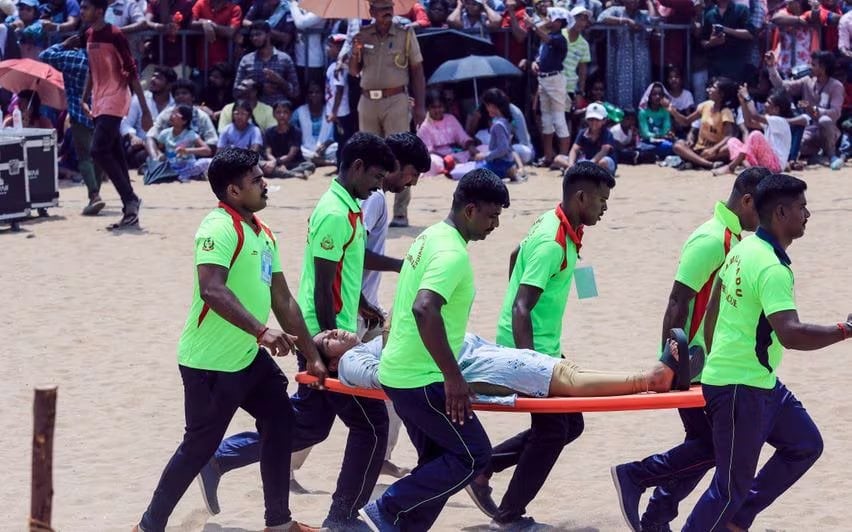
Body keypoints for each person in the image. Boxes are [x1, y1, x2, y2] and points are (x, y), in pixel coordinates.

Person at [200, 133, 397, 531]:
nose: (380, 186)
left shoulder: (351, 209)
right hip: (325, 336)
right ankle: (342, 518)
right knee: (369, 425)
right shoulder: (334, 213)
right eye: (377, 176)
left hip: (332, 333)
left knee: (309, 425)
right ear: (357, 167)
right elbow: (321, 287)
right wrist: (322, 348)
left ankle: (219, 457)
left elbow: (345, 268)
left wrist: (362, 304)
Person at [133, 147, 328, 532]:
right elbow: (212, 290)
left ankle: (279, 523)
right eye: (256, 179)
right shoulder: (217, 228)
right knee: (198, 448)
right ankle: (148, 527)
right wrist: (261, 330)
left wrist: (312, 354)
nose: (265, 183)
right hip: (209, 364)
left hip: (246, 357)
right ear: (234, 191)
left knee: (281, 421)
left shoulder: (263, 231)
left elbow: (284, 299)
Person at [681, 173, 851, 531]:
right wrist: (844, 330)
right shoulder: (772, 268)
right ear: (780, 212)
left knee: (804, 443)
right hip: (740, 387)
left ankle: (737, 522)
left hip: (756, 381)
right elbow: (791, 334)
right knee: (728, 489)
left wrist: (716, 358)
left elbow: (712, 307)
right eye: (802, 208)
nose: (807, 215)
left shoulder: (743, 249)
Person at [610, 167, 771, 532]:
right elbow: (677, 300)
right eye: (762, 209)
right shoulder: (712, 239)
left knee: (705, 445)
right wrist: (669, 360)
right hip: (692, 364)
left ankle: (655, 514)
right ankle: (636, 477)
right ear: (747, 201)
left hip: (709, 363)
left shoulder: (731, 238)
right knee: (714, 449)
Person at [359, 169, 510, 531]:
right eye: (492, 216)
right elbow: (424, 308)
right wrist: (453, 378)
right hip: (421, 379)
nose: (496, 225)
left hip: (401, 371)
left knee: (437, 460)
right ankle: (383, 509)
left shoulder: (430, 236)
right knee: (474, 455)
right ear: (470, 210)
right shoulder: (451, 252)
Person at [465, 162, 613, 529]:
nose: (605, 207)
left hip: (543, 344)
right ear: (581, 197)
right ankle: (509, 515)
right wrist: (530, 364)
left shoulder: (561, 224)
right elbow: (521, 307)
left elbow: (516, 254)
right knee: (551, 432)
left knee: (571, 425)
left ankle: (483, 468)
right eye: (601, 200)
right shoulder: (553, 240)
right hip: (527, 346)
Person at [288, 132, 433, 492]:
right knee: (335, 416)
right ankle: (236, 457)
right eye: (411, 173)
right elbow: (329, 277)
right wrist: (325, 343)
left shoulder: (358, 200)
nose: (410, 182)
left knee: (329, 416)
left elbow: (345, 262)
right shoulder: (364, 202)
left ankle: (283, 469)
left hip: (355, 314)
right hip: (341, 323)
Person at [319, 329, 692, 398]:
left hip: (476, 354)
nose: (335, 332)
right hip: (468, 368)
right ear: (331, 363)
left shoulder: (363, 346)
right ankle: (650, 379)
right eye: (328, 340)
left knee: (565, 372)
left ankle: (651, 377)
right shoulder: (352, 361)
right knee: (562, 378)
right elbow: (384, 378)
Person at [350, 0, 427, 228]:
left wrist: (421, 105)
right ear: (372, 12)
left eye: (390, 10)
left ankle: (400, 212)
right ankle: (368, 209)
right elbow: (354, 71)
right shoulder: (362, 35)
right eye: (382, 10)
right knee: (367, 156)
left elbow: (417, 70)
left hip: (396, 99)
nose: (387, 14)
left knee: (402, 157)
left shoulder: (405, 33)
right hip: (367, 100)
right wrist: (355, 52)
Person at [80, 0, 151, 230]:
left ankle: (130, 199)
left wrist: (146, 110)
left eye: (86, 8)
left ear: (99, 11)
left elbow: (131, 72)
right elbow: (92, 69)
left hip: (116, 97)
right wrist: (84, 97)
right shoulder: (89, 34)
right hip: (99, 99)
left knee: (98, 149)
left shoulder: (115, 35)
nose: (82, 11)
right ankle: (130, 209)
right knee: (114, 151)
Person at [39, 33, 103, 216]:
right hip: (103, 112)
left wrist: (64, 44)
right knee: (99, 155)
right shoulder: (103, 59)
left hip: (78, 113)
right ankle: (96, 193)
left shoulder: (71, 57)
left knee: (85, 157)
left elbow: (44, 56)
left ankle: (94, 195)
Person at [767, 50, 844, 166]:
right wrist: (771, 67)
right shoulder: (807, 81)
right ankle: (816, 156)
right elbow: (782, 86)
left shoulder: (836, 86)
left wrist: (812, 109)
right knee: (795, 146)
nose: (809, 67)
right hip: (808, 130)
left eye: (813, 65)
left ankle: (831, 155)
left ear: (823, 68)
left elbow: (835, 113)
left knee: (824, 120)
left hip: (828, 130)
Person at [714, 88, 793, 176]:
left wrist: (747, 97)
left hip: (775, 166)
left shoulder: (780, 121)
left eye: (768, 103)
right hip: (765, 163)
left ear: (776, 109)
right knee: (733, 141)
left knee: (756, 135)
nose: (765, 104)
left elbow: (754, 115)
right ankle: (750, 168)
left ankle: (731, 167)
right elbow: (749, 122)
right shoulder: (770, 122)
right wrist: (743, 102)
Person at [667, 77, 738, 170]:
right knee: (678, 145)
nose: (708, 90)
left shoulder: (726, 111)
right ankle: (708, 164)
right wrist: (674, 112)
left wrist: (714, 149)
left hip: (715, 151)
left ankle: (693, 161)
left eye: (713, 87)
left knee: (729, 148)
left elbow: (729, 135)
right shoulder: (705, 105)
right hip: (699, 149)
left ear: (721, 94)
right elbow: (686, 121)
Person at [532, 6, 572, 166]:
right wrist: (536, 63)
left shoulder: (560, 38)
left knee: (559, 120)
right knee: (546, 121)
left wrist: (533, 25)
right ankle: (549, 156)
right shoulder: (549, 37)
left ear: (560, 22)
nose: (548, 20)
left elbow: (545, 37)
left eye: (552, 18)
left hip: (555, 80)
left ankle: (564, 158)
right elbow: (542, 55)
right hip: (543, 80)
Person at [598, 0, 652, 109]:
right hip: (621, 57)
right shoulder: (616, 11)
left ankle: (639, 118)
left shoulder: (643, 14)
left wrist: (649, 2)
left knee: (641, 86)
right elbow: (601, 18)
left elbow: (654, 21)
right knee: (620, 88)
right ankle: (621, 119)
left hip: (640, 58)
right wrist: (625, 21)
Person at [121, 65, 176, 170]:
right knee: (141, 155)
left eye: (158, 78)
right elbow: (125, 123)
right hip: (140, 146)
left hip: (166, 146)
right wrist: (133, 137)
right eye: (153, 76)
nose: (153, 80)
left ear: (169, 85)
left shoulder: (174, 104)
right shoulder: (140, 99)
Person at [234, 21, 300, 106]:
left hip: (278, 112)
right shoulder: (246, 60)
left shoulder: (285, 59)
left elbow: (295, 92)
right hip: (254, 111)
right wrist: (259, 88)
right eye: (252, 36)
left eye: (258, 34)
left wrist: (280, 81)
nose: (254, 38)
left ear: (268, 35)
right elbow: (236, 92)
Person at [147, 80, 220, 153]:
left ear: (193, 97)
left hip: (195, 157)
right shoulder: (166, 114)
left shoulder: (201, 116)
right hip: (169, 155)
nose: (180, 96)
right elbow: (151, 135)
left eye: (184, 93)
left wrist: (190, 151)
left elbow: (212, 142)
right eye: (177, 94)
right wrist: (155, 157)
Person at [418, 89, 478, 177]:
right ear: (428, 108)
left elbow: (463, 138)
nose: (437, 110)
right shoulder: (424, 127)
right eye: (434, 107)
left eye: (440, 106)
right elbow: (429, 152)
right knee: (432, 162)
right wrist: (449, 159)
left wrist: (471, 147)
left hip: (457, 154)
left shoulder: (451, 118)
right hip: (440, 158)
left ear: (444, 107)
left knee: (483, 149)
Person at [150, 104, 213, 182]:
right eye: (172, 113)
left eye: (176, 114)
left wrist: (187, 151)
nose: (172, 116)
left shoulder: (191, 134)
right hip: (171, 167)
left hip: (188, 166)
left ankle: (189, 175)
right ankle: (190, 176)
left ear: (184, 120)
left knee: (210, 162)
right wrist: (160, 154)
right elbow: (159, 148)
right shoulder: (165, 133)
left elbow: (207, 150)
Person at [700, 0, 755, 83]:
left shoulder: (742, 10)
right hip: (715, 66)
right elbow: (703, 41)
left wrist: (725, 29)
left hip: (737, 66)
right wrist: (712, 43)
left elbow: (750, 34)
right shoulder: (709, 14)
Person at [261, 100, 316, 179]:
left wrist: (277, 163)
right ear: (273, 114)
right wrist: (275, 163)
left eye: (285, 112)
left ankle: (285, 173)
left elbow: (291, 155)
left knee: (310, 165)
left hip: (293, 163)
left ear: (290, 114)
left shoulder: (296, 131)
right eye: (278, 112)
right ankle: (293, 174)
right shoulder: (269, 132)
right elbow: (268, 153)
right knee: (263, 166)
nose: (282, 115)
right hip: (274, 164)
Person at [556, 102, 617, 174]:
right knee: (558, 159)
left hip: (601, 161)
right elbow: (574, 149)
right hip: (586, 161)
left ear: (604, 121)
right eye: (591, 119)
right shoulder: (582, 133)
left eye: (597, 119)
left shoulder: (607, 133)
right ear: (586, 120)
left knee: (603, 162)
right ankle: (578, 170)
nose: (594, 122)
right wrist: (571, 165)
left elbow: (604, 151)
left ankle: (582, 171)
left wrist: (590, 164)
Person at [474, 88, 520, 181]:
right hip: (508, 161)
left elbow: (503, 149)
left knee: (476, 172)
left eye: (487, 105)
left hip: (501, 163)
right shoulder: (507, 122)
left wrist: (485, 156)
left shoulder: (498, 125)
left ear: (492, 106)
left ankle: (507, 172)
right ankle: (509, 170)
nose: (486, 109)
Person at [325, 33, 354, 167]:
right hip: (335, 109)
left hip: (341, 110)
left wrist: (334, 112)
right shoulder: (333, 66)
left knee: (344, 139)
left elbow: (339, 90)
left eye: (331, 46)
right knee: (339, 138)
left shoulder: (341, 67)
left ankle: (343, 166)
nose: (328, 49)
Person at [294, 82, 336, 167]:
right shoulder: (299, 111)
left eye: (317, 92)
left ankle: (317, 161)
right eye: (311, 92)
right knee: (302, 152)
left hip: (328, 147)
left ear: (322, 94)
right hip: (306, 148)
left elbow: (338, 133)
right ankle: (329, 162)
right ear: (307, 95)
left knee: (337, 148)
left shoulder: (330, 111)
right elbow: (293, 132)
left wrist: (326, 144)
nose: (314, 95)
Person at [191, 0, 242, 71]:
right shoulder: (201, 3)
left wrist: (212, 25)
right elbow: (191, 23)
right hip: (201, 62)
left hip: (224, 64)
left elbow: (230, 31)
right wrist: (205, 22)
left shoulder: (235, 8)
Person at [638, 82, 675, 160]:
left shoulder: (665, 111)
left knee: (670, 146)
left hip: (663, 141)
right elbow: (645, 133)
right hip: (647, 141)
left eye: (660, 94)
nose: (657, 97)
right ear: (649, 96)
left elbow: (666, 129)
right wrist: (659, 135)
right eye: (654, 94)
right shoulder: (643, 112)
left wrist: (663, 136)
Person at [562, 6, 591, 103]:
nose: (581, 23)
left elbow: (583, 71)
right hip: (552, 84)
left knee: (565, 117)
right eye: (578, 19)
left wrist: (580, 92)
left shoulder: (584, 44)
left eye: (584, 20)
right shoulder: (559, 34)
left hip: (569, 87)